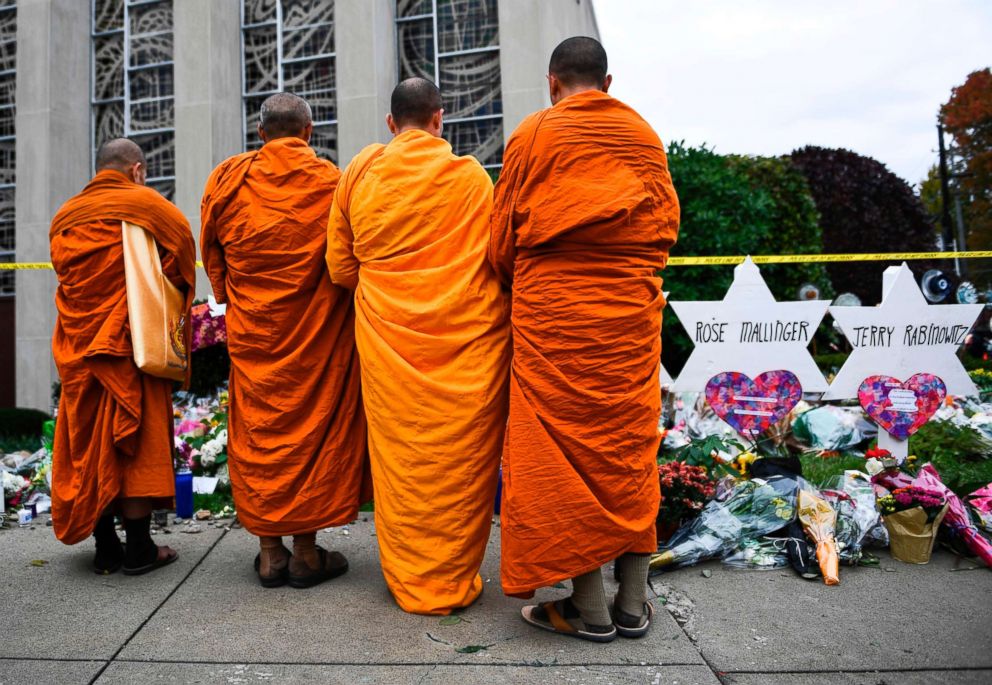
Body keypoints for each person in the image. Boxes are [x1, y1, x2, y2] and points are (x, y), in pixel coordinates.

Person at [489, 37, 680, 642]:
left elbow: (502, 237)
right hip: (627, 319)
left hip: (556, 319)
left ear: (552, 83)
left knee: (562, 457)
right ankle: (631, 601)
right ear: (608, 82)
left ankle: (587, 606)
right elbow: (664, 228)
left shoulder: (535, 134)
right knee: (627, 450)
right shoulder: (643, 136)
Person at [326, 78, 510, 615]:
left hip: (390, 347)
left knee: (403, 461)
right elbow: (498, 259)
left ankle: (410, 578)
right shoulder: (472, 177)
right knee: (461, 464)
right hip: (467, 346)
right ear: (440, 119)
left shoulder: (362, 173)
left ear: (391, 123)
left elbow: (340, 268)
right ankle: (452, 577)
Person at [200, 92, 370, 589]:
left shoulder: (228, 181)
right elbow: (348, 260)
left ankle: (270, 552)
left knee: (263, 435)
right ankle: (306, 553)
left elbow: (214, 259)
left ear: (260, 135)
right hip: (315, 337)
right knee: (311, 433)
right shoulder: (330, 183)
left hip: (256, 337)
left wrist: (228, 293)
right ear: (309, 133)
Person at [50, 138, 196, 575]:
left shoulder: (64, 218)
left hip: (80, 348)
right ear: (136, 170)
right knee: (133, 441)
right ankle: (139, 548)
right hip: (129, 344)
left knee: (89, 444)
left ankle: (105, 546)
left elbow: (68, 275)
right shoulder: (148, 205)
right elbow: (182, 258)